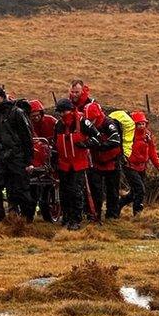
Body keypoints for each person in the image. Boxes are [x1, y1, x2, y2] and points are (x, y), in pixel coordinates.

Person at [0, 85, 34, 222]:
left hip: (17, 157)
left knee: (21, 190)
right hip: (1, 157)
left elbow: (27, 138)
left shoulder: (17, 113)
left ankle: (26, 220)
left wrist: (29, 161)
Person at [53, 98, 100, 230]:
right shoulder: (58, 125)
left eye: (64, 111)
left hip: (79, 164)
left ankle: (76, 219)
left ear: (71, 109)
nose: (62, 114)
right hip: (63, 164)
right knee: (64, 192)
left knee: (76, 192)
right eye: (60, 112)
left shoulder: (83, 122)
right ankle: (66, 217)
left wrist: (85, 144)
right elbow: (55, 145)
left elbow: (97, 138)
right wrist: (54, 161)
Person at [85, 101, 123, 220]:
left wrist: (99, 145)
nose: (90, 124)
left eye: (92, 120)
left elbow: (116, 141)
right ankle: (94, 213)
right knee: (95, 189)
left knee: (112, 189)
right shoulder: (88, 125)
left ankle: (112, 215)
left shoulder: (109, 124)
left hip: (112, 161)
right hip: (96, 161)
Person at [119, 110, 159, 217]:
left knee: (134, 192)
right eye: (139, 124)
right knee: (140, 190)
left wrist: (158, 165)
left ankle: (118, 204)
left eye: (143, 123)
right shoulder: (129, 135)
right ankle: (137, 214)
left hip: (142, 167)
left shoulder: (147, 135)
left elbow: (152, 150)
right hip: (130, 166)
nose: (142, 126)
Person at [26, 100, 58, 222]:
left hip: (52, 158)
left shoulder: (51, 122)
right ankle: (29, 215)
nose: (36, 117)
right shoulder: (27, 125)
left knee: (52, 182)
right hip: (35, 161)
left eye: (38, 114)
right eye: (32, 115)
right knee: (32, 190)